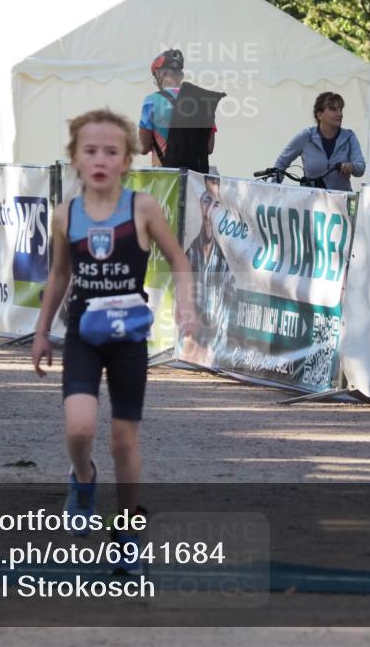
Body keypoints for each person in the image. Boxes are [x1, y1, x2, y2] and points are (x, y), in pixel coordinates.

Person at [31, 109, 195, 575]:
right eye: (90, 151)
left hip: (129, 336)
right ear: (75, 160)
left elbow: (179, 259)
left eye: (111, 151)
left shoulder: (142, 208)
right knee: (80, 427)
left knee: (125, 441)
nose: (100, 159)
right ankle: (83, 478)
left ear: (127, 160)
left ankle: (126, 533)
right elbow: (60, 274)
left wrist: (186, 306)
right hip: (83, 332)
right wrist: (42, 332)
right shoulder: (66, 214)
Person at [183, 176, 234, 367]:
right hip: (189, 350)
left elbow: (224, 318)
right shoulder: (190, 253)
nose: (210, 208)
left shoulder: (224, 261)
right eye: (206, 200)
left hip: (213, 354)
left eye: (216, 203)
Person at [273, 91, 365, 191]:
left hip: (341, 202)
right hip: (311, 202)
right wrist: (272, 189)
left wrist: (352, 166)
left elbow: (360, 168)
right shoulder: (305, 136)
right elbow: (281, 163)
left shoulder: (349, 136)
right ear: (319, 114)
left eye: (341, 109)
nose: (340, 114)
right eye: (333, 109)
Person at [138, 49, 215, 168]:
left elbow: (143, 148)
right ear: (181, 75)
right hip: (195, 179)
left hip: (165, 177)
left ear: (159, 74)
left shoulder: (151, 101)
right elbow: (209, 148)